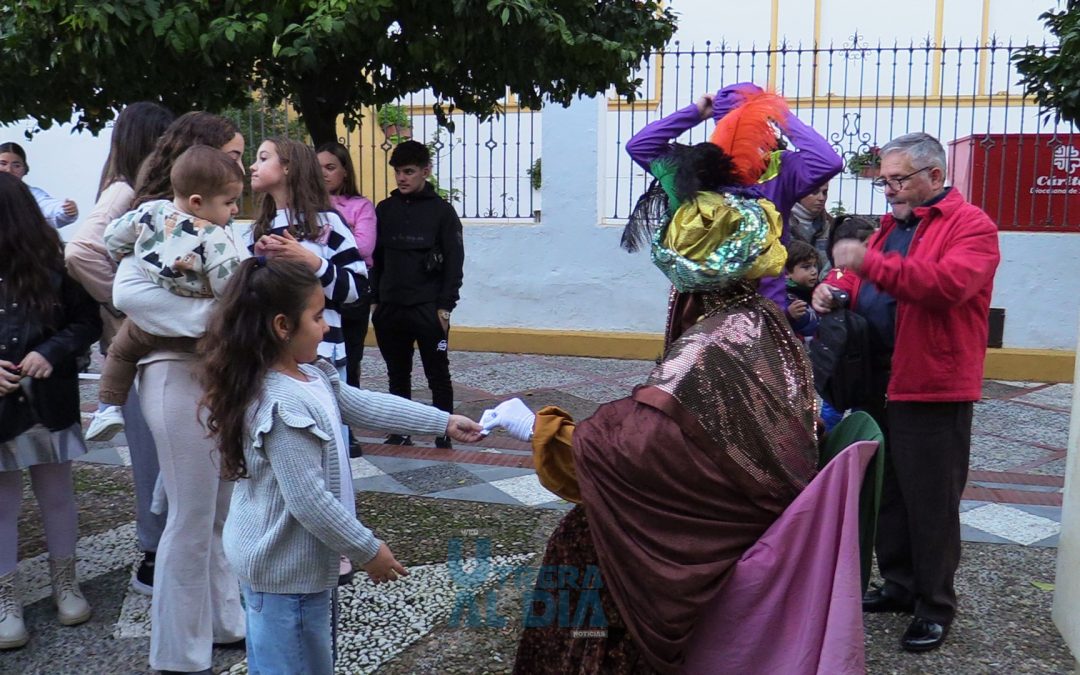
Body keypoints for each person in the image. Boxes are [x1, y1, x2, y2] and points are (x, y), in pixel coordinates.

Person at [485, 122, 820, 673]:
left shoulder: (715, 342)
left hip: (703, 537)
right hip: (740, 518)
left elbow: (647, 449)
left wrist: (541, 430)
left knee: (580, 549)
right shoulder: (761, 322)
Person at [202, 257, 483, 675]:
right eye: (317, 317)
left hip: (293, 569)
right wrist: (368, 550)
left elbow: (365, 405)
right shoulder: (283, 405)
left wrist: (441, 420)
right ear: (283, 326)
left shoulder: (312, 375)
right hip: (285, 576)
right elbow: (310, 501)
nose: (327, 326)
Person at [812, 132, 1001, 652]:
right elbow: (857, 282)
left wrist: (867, 264)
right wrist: (837, 287)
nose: (889, 191)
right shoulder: (891, 228)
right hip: (879, 380)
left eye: (898, 180)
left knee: (931, 501)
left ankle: (934, 606)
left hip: (932, 384)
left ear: (935, 177)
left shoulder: (972, 228)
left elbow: (945, 287)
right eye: (885, 181)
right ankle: (899, 585)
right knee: (889, 491)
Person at [109, 112, 249, 674]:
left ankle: (223, 622)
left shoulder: (221, 222)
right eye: (234, 155)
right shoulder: (156, 225)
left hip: (213, 375)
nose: (241, 164)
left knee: (217, 512)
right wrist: (223, 317)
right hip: (172, 373)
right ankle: (177, 652)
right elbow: (129, 294)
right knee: (191, 518)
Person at [625, 82, 842, 314]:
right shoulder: (701, 167)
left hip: (756, 304)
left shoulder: (777, 168)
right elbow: (828, 160)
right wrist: (782, 115)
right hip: (708, 307)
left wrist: (695, 112)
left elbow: (641, 146)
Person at [0, 173, 102, 649]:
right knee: (2, 504)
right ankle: (6, 600)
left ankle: (66, 583)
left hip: (47, 397)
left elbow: (87, 322)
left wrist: (52, 352)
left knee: (56, 492)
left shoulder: (53, 264)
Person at [84, 146, 245, 442]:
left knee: (120, 352)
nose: (234, 210)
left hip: (144, 324)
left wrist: (125, 253)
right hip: (193, 333)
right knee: (223, 357)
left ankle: (108, 407)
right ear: (197, 202)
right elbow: (229, 285)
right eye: (230, 202)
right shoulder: (213, 236)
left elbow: (112, 237)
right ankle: (232, 403)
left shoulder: (149, 212)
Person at [371, 140, 464, 448]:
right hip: (390, 308)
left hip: (428, 308)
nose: (402, 178)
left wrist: (445, 308)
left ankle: (444, 432)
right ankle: (400, 430)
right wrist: (375, 301)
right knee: (397, 373)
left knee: (437, 372)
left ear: (426, 171)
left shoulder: (443, 213)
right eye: (398, 172)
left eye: (409, 172)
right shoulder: (383, 210)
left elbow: (454, 263)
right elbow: (376, 259)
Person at [317, 141, 376, 456]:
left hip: (352, 293)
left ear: (344, 171)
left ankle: (348, 427)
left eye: (331, 167)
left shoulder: (360, 205)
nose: (324, 174)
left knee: (349, 359)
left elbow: (364, 248)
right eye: (319, 167)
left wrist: (333, 236)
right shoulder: (308, 205)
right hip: (320, 294)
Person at [0, 142, 79, 229]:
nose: (9, 170)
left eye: (16, 166)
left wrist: (65, 210)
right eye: (3, 164)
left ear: (25, 169)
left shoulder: (32, 194)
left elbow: (47, 206)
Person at [790, 183, 834, 270]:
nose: (821, 198)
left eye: (824, 192)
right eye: (814, 192)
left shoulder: (831, 226)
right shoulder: (778, 225)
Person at [784, 239, 820, 338]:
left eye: (814, 266)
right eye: (806, 267)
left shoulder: (818, 290)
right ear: (787, 273)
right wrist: (788, 315)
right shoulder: (783, 296)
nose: (814, 271)